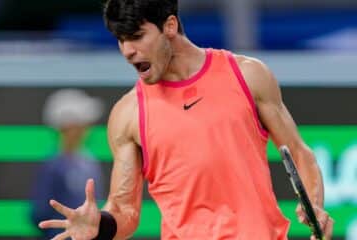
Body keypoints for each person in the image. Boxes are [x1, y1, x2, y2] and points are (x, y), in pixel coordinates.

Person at [39, 1, 334, 239]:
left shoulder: (247, 75)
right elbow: (124, 210)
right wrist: (100, 226)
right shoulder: (128, 114)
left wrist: (316, 206)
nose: (128, 51)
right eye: (121, 40)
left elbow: (298, 152)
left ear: (170, 25)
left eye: (137, 36)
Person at [31, 89, 105, 239]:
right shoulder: (54, 166)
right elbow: (39, 213)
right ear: (68, 128)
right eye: (82, 124)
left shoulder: (89, 163)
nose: (87, 129)